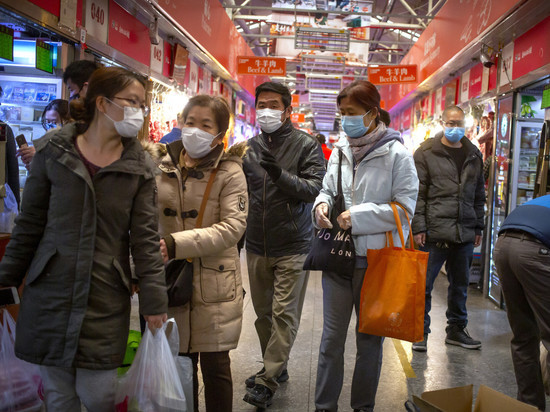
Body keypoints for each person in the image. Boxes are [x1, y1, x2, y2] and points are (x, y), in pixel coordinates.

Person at [0, 66, 168, 411]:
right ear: (103, 104)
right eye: (131, 102)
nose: (139, 111)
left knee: (99, 395)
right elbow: (30, 223)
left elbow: (146, 239)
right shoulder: (53, 153)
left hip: (104, 295)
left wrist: (154, 302)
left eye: (142, 104)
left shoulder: (140, 168)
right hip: (51, 290)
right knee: (59, 395)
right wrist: (5, 279)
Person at [312, 80, 418, 412]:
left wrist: (357, 217)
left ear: (372, 113)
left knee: (369, 343)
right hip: (338, 261)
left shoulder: (397, 155)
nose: (346, 120)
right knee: (330, 342)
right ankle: (324, 406)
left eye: (352, 113)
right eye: (342, 113)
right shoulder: (340, 151)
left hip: (376, 264)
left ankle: (363, 407)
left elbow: (404, 211)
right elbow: (327, 189)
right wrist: (321, 205)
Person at [154, 95, 248, 412]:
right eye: (190, 122)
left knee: (216, 365)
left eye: (205, 125)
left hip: (214, 284)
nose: (195, 130)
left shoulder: (231, 172)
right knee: (179, 366)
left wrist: (176, 243)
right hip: (169, 279)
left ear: (220, 135)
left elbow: (233, 227)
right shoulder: (160, 165)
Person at [242, 81, 325, 409]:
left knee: (284, 314)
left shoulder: (307, 145)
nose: (266, 111)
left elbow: (313, 189)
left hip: (294, 244)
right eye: (261, 104)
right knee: (262, 315)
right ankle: (277, 365)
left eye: (274, 105)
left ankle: (267, 378)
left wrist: (279, 174)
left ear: (288, 110)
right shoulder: (249, 148)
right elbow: (242, 195)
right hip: (256, 244)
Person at [411, 105, 485, 352]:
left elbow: (478, 194)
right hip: (433, 232)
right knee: (423, 285)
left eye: (459, 123)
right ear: (442, 123)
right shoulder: (426, 153)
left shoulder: (473, 154)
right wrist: (418, 226)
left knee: (460, 285)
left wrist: (478, 226)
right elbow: (418, 194)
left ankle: (456, 330)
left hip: (463, 231)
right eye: (450, 123)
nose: (455, 128)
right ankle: (420, 331)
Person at [494, 195, 550, 411]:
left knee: (523, 337)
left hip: (503, 245)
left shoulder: (543, 199)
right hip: (535, 250)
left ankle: (529, 407)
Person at [18, 61, 99, 168]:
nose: (71, 96)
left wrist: (41, 158)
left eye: (71, 89)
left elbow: (78, 166)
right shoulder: (84, 126)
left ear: (86, 88)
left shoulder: (94, 128)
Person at [0, 87, 20, 207]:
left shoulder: (4, 130)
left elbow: (13, 168)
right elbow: (13, 168)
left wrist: (16, 200)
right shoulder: (4, 129)